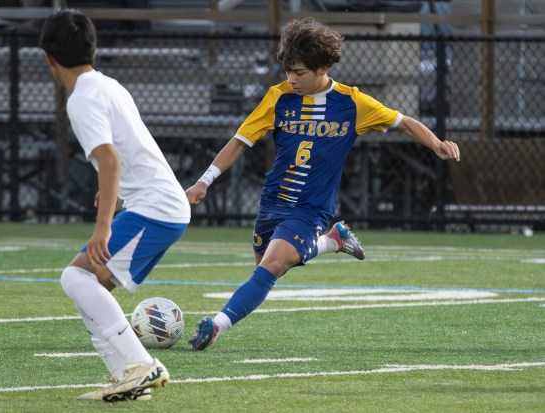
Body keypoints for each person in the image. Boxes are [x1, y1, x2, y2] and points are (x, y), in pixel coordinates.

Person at [186, 17, 460, 351]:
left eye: (299, 72)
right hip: (273, 201)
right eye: (288, 70)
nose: (291, 79)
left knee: (272, 265)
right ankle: (332, 241)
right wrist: (204, 182)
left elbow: (404, 123)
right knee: (266, 266)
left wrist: (437, 144)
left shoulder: (353, 103)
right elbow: (241, 140)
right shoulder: (278, 97)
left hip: (311, 208)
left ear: (322, 68)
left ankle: (215, 326)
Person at [39, 9, 190, 402]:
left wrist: (103, 225)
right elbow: (128, 150)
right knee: (90, 284)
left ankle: (141, 366)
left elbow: (110, 160)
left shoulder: (81, 100)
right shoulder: (107, 85)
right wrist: (115, 195)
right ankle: (128, 376)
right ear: (94, 48)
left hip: (155, 206)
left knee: (76, 278)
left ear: (48, 58)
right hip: (158, 204)